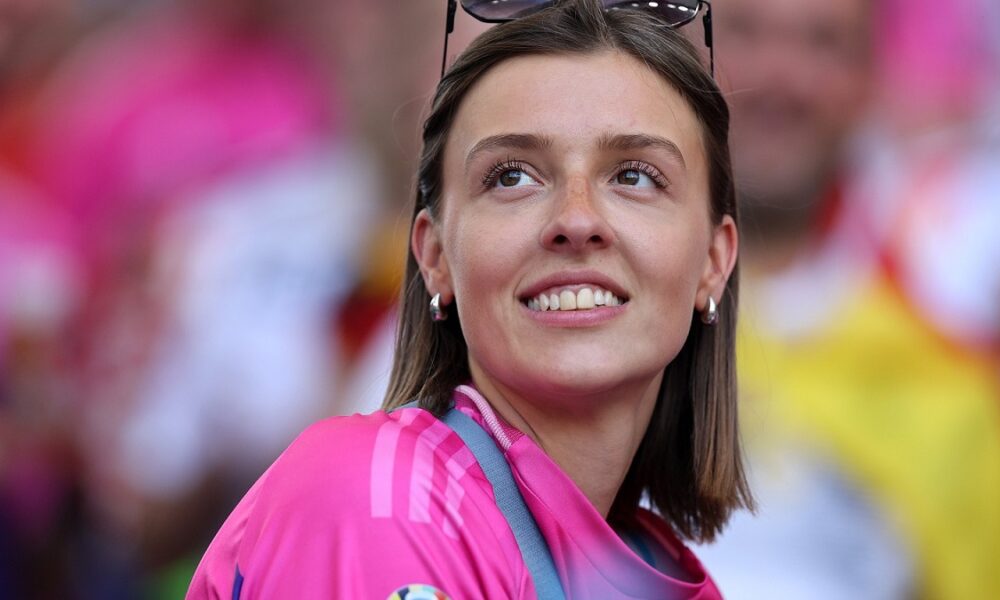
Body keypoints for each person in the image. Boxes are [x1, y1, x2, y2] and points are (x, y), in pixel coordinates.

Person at [187, 0, 753, 597]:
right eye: (512, 176)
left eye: (634, 175)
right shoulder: (380, 496)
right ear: (433, 257)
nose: (577, 219)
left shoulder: (660, 574)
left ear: (714, 262)